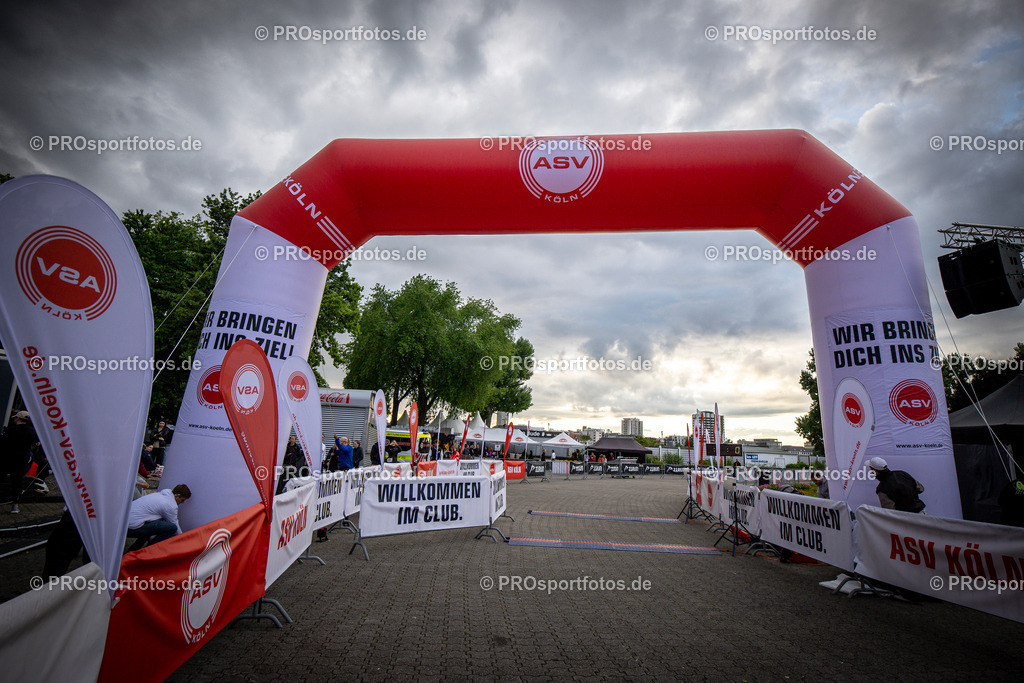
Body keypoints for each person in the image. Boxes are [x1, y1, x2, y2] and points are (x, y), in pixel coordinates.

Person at [125, 484, 191, 551]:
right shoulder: (171, 505)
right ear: (177, 496)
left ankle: (133, 551)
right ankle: (148, 551)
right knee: (171, 528)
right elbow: (175, 524)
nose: (182, 503)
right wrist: (183, 539)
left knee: (154, 527)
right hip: (130, 528)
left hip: (124, 523)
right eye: (182, 500)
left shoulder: (160, 495)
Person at [4, 410, 38, 514]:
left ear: (17, 418)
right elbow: (34, 445)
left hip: (9, 458)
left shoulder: (10, 430)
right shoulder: (31, 431)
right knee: (18, 480)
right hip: (23, 458)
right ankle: (15, 505)